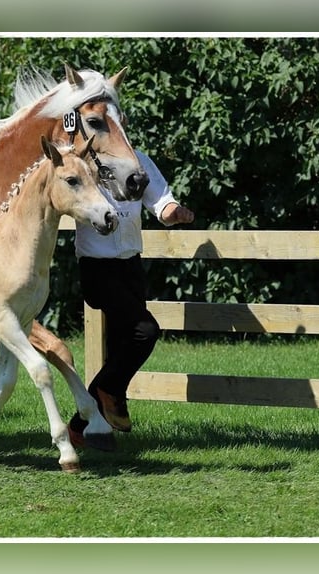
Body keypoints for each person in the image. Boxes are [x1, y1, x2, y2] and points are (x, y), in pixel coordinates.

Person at [68, 150, 194, 447]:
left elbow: (161, 201)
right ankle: (109, 391)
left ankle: (84, 430)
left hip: (131, 264)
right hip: (97, 267)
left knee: (122, 346)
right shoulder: (81, 161)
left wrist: (174, 212)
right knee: (145, 332)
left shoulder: (138, 159)